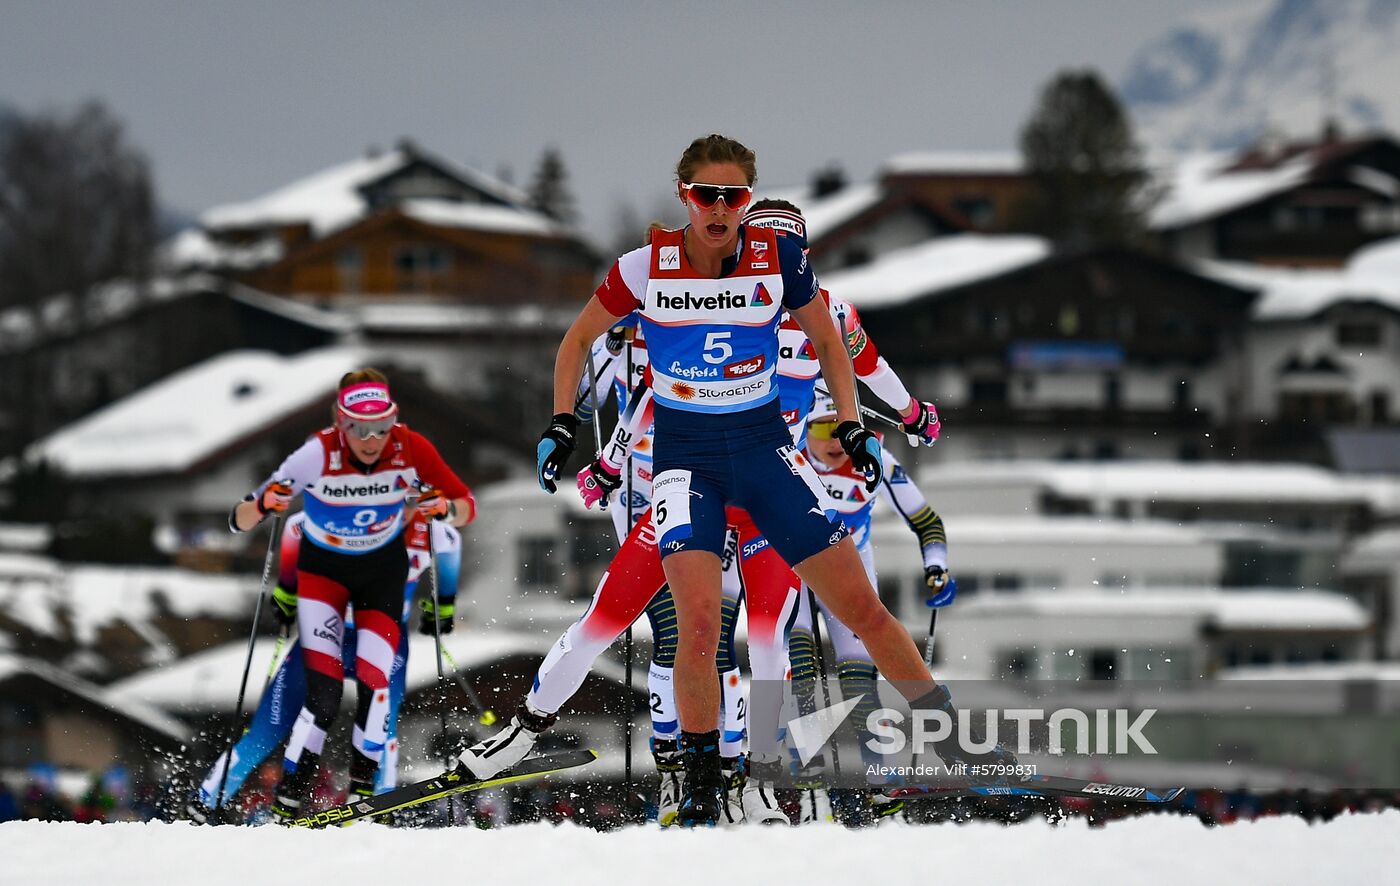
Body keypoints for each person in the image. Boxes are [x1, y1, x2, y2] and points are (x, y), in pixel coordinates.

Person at [523, 134, 993, 827]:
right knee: (700, 624)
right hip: (687, 466)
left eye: (733, 197)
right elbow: (598, 354)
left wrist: (867, 424)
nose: (721, 209)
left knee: (849, 615)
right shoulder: (648, 267)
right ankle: (705, 779)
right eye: (707, 196)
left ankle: (947, 747)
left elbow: (844, 352)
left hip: (770, 459)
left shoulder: (790, 273)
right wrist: (575, 433)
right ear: (685, 195)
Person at [229, 368, 475, 820]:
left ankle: (362, 793)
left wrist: (443, 508)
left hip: (382, 574)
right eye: (359, 428)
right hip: (324, 576)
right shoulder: (314, 454)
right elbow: (240, 518)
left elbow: (465, 509)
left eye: (382, 426)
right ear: (340, 422)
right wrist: (266, 504)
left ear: (393, 419)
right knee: (322, 699)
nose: (371, 438)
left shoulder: (412, 447)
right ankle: (289, 794)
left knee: (375, 686)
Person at [188, 511, 462, 822]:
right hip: (324, 635)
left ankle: (378, 807)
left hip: (384, 641)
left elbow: (453, 542)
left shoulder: (430, 531)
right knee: (267, 730)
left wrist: (444, 604)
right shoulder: (334, 513)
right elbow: (294, 527)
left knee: (382, 728)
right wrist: (287, 588)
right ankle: (205, 803)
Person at [787, 389, 956, 826]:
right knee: (803, 674)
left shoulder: (874, 458)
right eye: (822, 429)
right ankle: (811, 791)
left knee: (860, 686)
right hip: (798, 573)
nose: (835, 442)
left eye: (843, 430)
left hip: (852, 580)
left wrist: (936, 568)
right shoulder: (788, 457)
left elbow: (926, 520)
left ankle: (884, 794)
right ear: (805, 428)